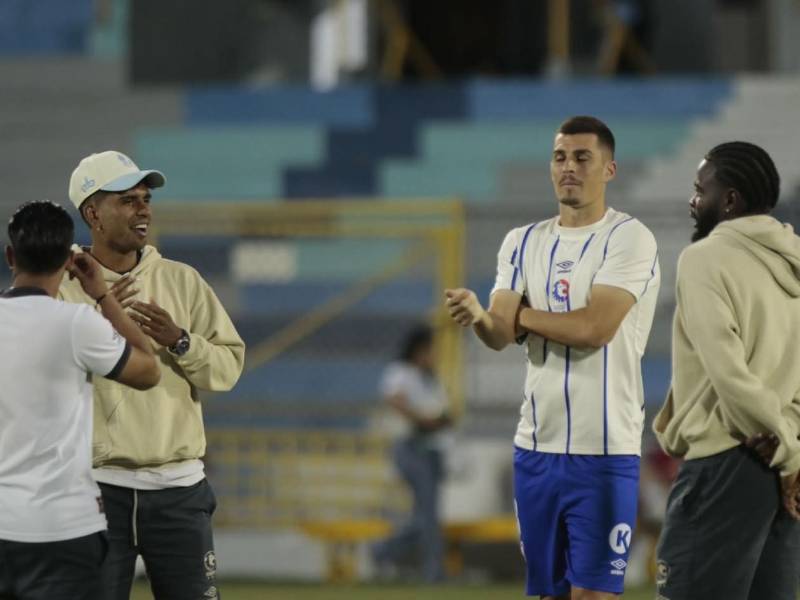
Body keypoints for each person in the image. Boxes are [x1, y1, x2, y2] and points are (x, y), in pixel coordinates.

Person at [445, 116, 660, 600]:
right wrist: (482, 314)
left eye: (583, 158)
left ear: (609, 169)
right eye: (560, 157)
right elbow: (500, 332)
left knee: (593, 595)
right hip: (535, 450)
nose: (569, 167)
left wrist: (519, 314)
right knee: (550, 594)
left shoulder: (629, 238)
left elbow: (594, 329)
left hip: (604, 451)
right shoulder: (521, 241)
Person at [61, 151, 246, 600]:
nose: (144, 209)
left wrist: (180, 340)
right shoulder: (62, 287)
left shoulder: (183, 281)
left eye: (145, 198)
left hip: (179, 489)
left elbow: (227, 370)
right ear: (92, 214)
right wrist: (99, 323)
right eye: (127, 200)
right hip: (94, 491)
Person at [653, 141, 800, 600]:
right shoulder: (793, 261)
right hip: (782, 472)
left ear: (730, 200)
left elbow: (728, 371)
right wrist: (793, 449)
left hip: (727, 460)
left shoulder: (704, 259)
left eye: (701, 189)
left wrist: (786, 450)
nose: (694, 201)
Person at [0, 200, 160, 600]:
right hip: (63, 528)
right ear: (71, 259)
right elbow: (148, 370)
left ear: (10, 255)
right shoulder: (77, 324)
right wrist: (102, 296)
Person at [372, 324, 451, 583]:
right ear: (420, 349)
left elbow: (440, 410)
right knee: (428, 515)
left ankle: (383, 550)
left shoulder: (429, 377)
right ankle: (433, 572)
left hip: (431, 449)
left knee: (424, 517)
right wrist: (422, 420)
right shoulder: (401, 372)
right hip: (411, 447)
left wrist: (439, 421)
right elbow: (394, 399)